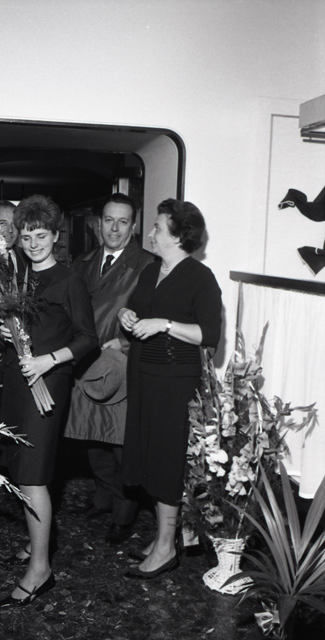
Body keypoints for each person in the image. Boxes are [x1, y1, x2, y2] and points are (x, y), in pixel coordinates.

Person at [0, 195, 98, 607]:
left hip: (49, 381)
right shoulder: (19, 278)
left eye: (41, 235)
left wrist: (47, 360)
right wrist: (8, 334)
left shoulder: (69, 280)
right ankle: (36, 543)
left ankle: (41, 570)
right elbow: (24, 329)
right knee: (21, 468)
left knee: (34, 475)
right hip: (19, 381)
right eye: (26, 237)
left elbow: (88, 338)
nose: (34, 243)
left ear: (56, 235)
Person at [119, 199, 222, 578]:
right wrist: (125, 314)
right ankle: (165, 537)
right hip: (144, 376)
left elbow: (208, 334)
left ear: (178, 237)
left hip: (175, 382)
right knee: (149, 455)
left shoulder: (200, 277)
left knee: (166, 461)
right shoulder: (152, 271)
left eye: (158, 228)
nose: (150, 233)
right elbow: (134, 308)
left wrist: (164, 324)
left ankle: (165, 549)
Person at [64, 193, 154, 544]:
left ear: (134, 226)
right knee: (92, 437)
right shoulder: (83, 262)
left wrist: (125, 344)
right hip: (87, 363)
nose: (114, 228)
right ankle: (103, 496)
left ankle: (123, 513)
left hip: (121, 366)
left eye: (123, 221)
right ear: (97, 223)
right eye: (108, 220)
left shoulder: (147, 265)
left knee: (120, 443)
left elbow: (155, 317)